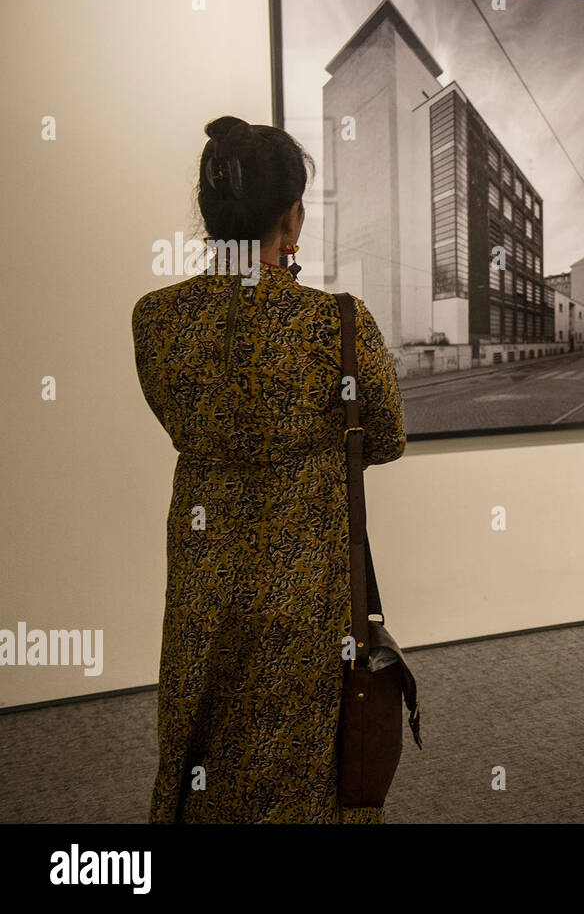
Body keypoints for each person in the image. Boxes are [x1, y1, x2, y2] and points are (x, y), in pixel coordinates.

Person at [132, 115, 406, 822]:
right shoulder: (337, 324)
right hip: (306, 589)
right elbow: (386, 437)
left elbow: (177, 419)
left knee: (200, 740)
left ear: (210, 212)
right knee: (301, 758)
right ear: (294, 216)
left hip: (200, 581)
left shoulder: (155, 319)